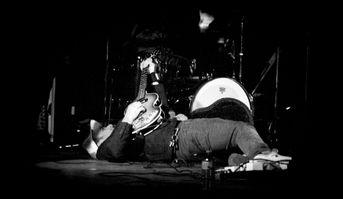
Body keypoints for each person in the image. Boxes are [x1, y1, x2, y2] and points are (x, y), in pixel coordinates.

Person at [82, 57, 292, 166]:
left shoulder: (132, 132)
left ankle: (251, 165)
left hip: (183, 142)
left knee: (230, 157)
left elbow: (162, 106)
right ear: (99, 143)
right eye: (103, 130)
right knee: (239, 128)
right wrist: (127, 117)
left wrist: (154, 76)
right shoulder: (107, 150)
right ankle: (264, 155)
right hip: (184, 136)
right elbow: (115, 150)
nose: (108, 124)